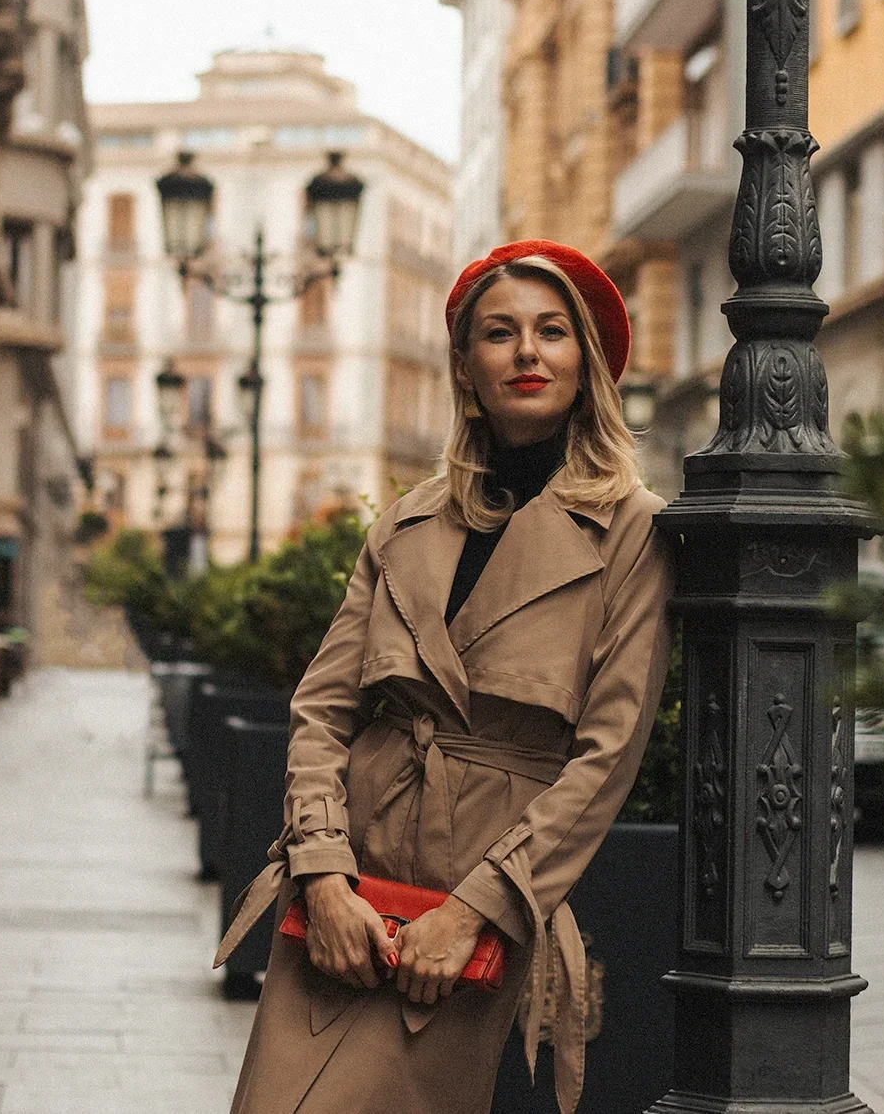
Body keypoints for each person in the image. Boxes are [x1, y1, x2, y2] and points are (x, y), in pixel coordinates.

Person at [215, 240, 676, 1114]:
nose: (528, 353)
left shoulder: (632, 531)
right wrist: (320, 869)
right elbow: (322, 706)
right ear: (467, 369)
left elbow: (607, 755)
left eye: (552, 332)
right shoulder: (407, 523)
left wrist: (476, 909)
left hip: (480, 902)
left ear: (588, 361)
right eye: (500, 334)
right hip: (347, 890)